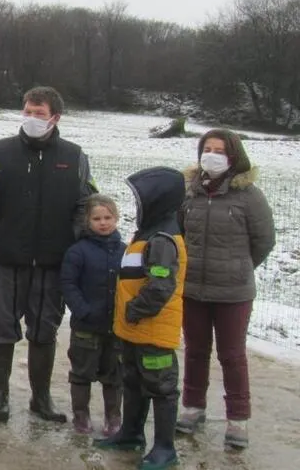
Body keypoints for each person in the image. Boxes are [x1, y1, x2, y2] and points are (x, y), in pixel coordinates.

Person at [0, 86, 96, 424]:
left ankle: (41, 398)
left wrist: (71, 239)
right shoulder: (0, 152)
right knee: (1, 327)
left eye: (39, 113)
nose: (31, 118)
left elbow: (85, 203)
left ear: (55, 117)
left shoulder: (75, 156)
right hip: (6, 260)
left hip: (53, 263)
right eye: (27, 111)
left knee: (44, 330)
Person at [176, 129, 275, 449]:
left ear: (233, 156)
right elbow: (178, 234)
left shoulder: (249, 196)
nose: (212, 155)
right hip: (193, 290)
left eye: (219, 150)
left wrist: (239, 267)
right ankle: (193, 408)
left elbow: (264, 241)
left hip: (233, 292)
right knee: (195, 351)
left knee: (232, 356)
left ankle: (238, 419)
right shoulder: (189, 192)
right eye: (208, 148)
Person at [95, 167, 187, 470]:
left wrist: (135, 310)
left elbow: (161, 285)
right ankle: (131, 433)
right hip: (134, 331)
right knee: (132, 382)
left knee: (161, 388)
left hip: (152, 332)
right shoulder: (147, 233)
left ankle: (164, 448)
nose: (137, 204)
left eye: (141, 198)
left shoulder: (162, 240)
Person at [60, 195, 127, 436]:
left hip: (116, 327)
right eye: (97, 218)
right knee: (81, 373)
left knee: (114, 375)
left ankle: (113, 416)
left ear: (116, 219)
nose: (103, 223)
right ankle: (81, 414)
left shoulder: (125, 251)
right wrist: (82, 309)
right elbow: (68, 284)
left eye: (108, 217)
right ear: (87, 221)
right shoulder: (78, 252)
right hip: (86, 326)